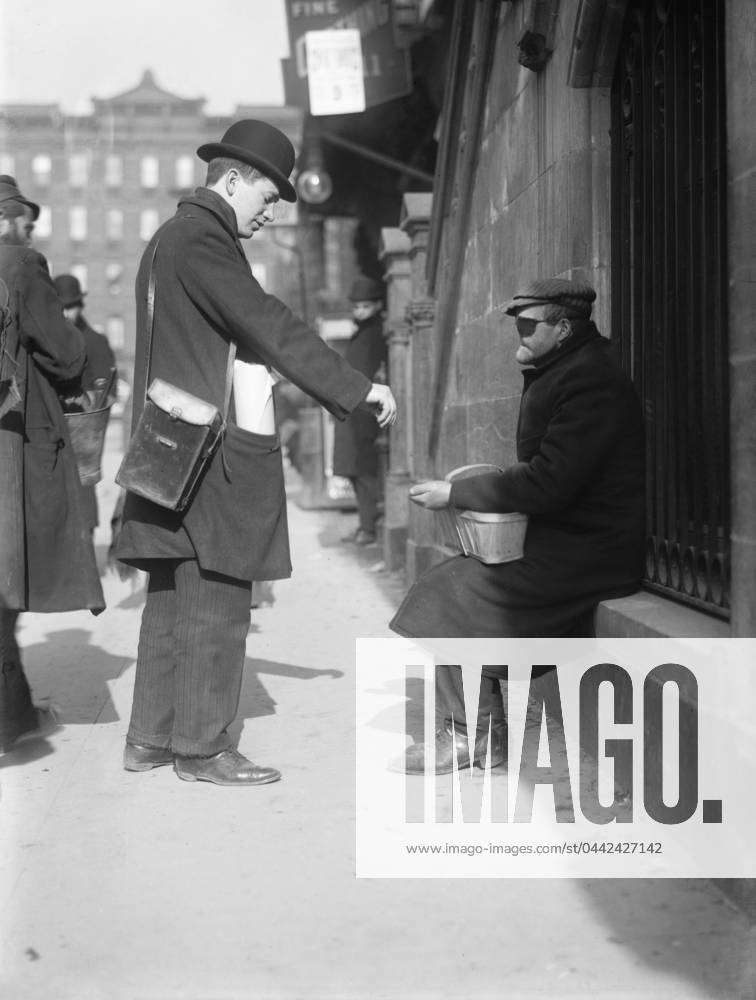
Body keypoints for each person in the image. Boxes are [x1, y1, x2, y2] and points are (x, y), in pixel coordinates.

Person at [114, 120, 396, 787]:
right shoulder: (205, 240)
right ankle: (204, 749)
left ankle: (151, 739)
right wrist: (354, 388)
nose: (271, 211)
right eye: (267, 194)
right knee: (219, 586)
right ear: (232, 179)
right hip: (208, 448)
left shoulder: (167, 239)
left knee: (170, 594)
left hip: (166, 443)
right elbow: (268, 324)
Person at [389, 277, 645, 773]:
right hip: (567, 538)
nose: (519, 336)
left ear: (564, 328)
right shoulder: (568, 368)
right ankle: (483, 733)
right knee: (459, 585)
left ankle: (469, 736)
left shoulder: (590, 379)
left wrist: (456, 493)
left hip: (592, 549)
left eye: (529, 326)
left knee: (451, 592)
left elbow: (549, 482)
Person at [0, 177, 105, 752]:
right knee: (7, 577)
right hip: (15, 445)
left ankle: (14, 715)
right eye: (25, 221)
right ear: (9, 220)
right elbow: (66, 357)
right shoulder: (20, 264)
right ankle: (11, 720)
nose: (30, 231)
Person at [53, 273, 117, 532]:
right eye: (63, 308)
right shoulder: (49, 342)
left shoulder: (95, 342)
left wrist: (84, 399)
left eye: (72, 306)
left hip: (82, 437)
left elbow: (106, 396)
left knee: (82, 509)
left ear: (81, 305)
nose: (68, 313)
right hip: (54, 437)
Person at [333, 276, 388, 546]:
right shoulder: (362, 333)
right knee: (355, 471)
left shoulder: (375, 333)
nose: (359, 311)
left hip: (365, 411)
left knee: (364, 471)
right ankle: (365, 525)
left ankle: (370, 527)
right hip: (353, 409)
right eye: (356, 307)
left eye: (365, 306)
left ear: (377, 305)